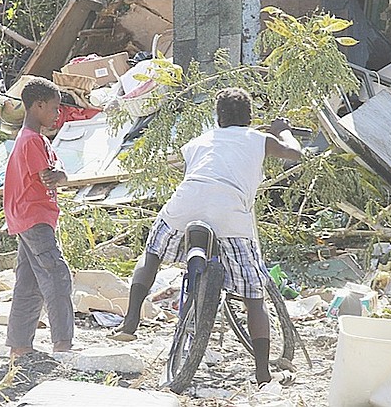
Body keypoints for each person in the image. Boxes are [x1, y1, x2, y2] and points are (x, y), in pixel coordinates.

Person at [107, 87, 302, 387]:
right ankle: (263, 371)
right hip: (231, 215)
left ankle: (131, 318)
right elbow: (294, 154)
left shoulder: (198, 142)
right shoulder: (259, 139)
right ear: (249, 118)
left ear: (218, 117)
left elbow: (196, 170)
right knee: (253, 296)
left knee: (154, 251)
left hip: (186, 202)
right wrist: (283, 131)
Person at [3, 77, 75, 357]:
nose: (57, 114)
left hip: (27, 217)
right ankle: (63, 344)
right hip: (35, 216)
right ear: (38, 106)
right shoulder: (33, 141)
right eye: (54, 108)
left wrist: (60, 175)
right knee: (57, 276)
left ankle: (19, 347)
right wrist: (60, 176)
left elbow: (56, 171)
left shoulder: (34, 139)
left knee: (29, 283)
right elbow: (50, 177)